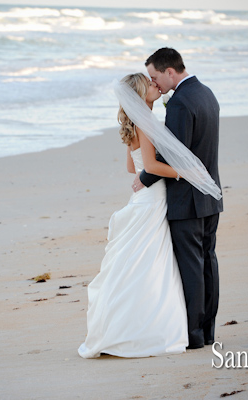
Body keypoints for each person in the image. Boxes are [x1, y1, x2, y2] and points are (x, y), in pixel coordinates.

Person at [78, 73, 189, 358]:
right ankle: (143, 330)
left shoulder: (137, 122)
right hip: (152, 201)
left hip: (144, 198)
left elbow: (133, 167)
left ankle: (125, 329)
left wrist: (150, 170)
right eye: (149, 84)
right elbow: (150, 165)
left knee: (139, 265)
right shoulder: (146, 122)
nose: (155, 85)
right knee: (150, 264)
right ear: (140, 94)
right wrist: (184, 172)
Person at [134, 47, 223, 349]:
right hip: (211, 195)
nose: (154, 82)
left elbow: (175, 155)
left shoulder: (181, 103)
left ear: (169, 71)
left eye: (155, 76)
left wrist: (144, 177)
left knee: (192, 266)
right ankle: (208, 331)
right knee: (208, 262)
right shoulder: (206, 93)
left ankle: (194, 335)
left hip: (189, 200)